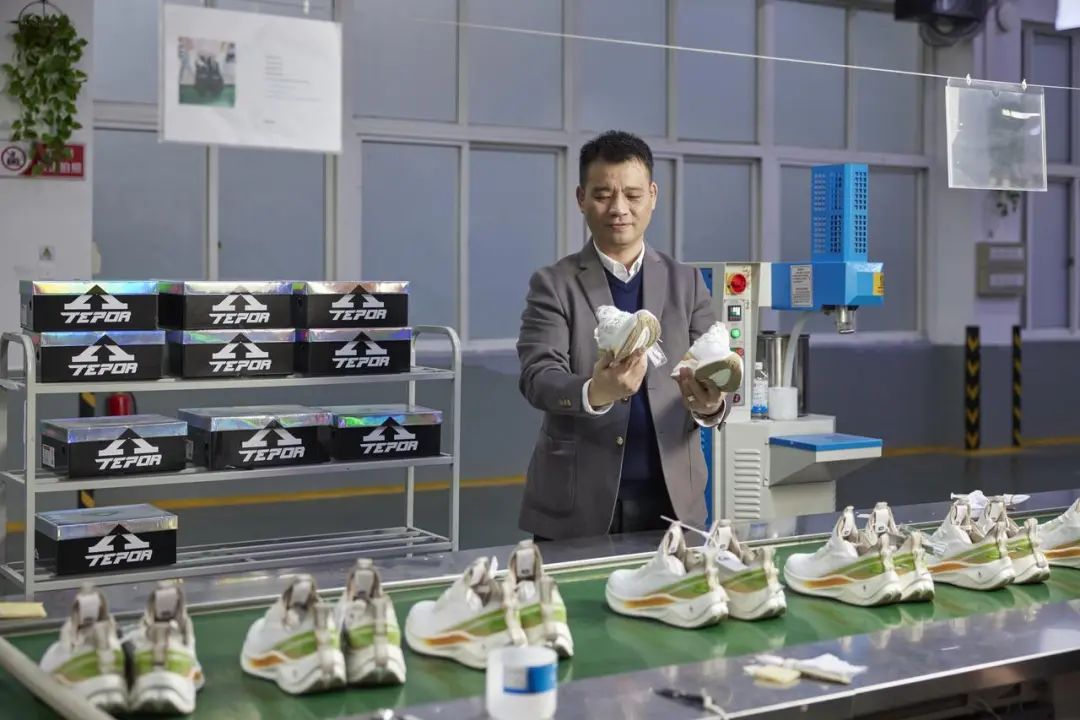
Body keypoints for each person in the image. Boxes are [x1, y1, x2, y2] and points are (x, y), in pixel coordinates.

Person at [517, 130, 729, 541]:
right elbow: (537, 377)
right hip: (577, 504)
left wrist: (712, 404)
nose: (619, 209)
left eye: (632, 195)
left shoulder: (687, 282)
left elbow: (715, 367)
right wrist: (596, 391)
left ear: (652, 195)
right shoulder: (554, 284)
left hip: (674, 503)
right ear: (581, 198)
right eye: (602, 195)